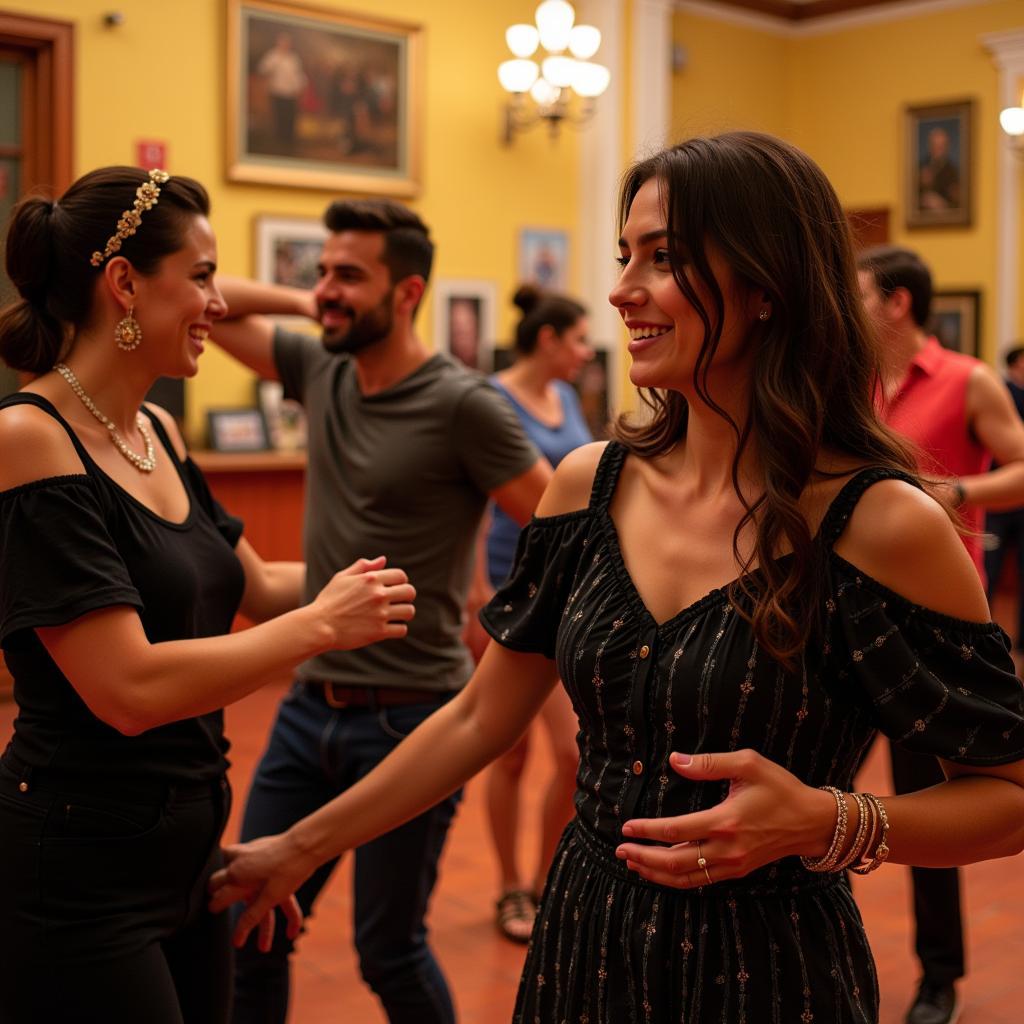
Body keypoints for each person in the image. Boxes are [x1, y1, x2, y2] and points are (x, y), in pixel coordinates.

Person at [209, 132, 1024, 1024]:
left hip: (769, 972)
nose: (620, 288)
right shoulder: (588, 486)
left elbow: (1008, 797)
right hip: (586, 945)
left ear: (765, 287)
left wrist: (830, 821)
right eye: (623, 255)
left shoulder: (883, 524)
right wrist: (297, 846)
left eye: (664, 258)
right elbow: (482, 716)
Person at [0, 167, 416, 1024]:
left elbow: (256, 585)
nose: (220, 306)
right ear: (122, 283)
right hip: (78, 865)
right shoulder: (27, 441)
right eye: (201, 278)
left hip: (190, 856)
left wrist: (408, 570)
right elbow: (128, 690)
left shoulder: (155, 430)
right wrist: (318, 629)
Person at [208, 198, 550, 1024]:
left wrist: (500, 621)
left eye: (349, 276)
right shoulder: (322, 367)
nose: (328, 289)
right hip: (306, 709)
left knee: (388, 953)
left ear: (407, 293)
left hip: (412, 719)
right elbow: (209, 304)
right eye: (322, 271)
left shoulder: (465, 404)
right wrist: (309, 301)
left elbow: (558, 528)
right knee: (246, 923)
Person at [858, 246, 1024, 1024]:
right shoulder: (850, 381)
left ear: (896, 302)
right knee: (798, 772)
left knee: (927, 802)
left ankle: (938, 979)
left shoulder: (967, 380)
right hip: (846, 613)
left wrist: (955, 491)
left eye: (855, 292)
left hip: (930, 629)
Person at [484, 284, 594, 942]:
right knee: (512, 753)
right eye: (578, 339)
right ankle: (509, 888)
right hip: (507, 586)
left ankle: (550, 880)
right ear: (548, 339)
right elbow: (470, 499)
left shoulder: (570, 398)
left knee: (572, 754)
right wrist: (474, 595)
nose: (586, 352)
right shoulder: (490, 399)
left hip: (568, 589)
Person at [985, 343, 1024, 671]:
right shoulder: (997, 390)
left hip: (1021, 504)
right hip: (998, 503)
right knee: (990, 571)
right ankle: (985, 644)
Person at [257, 31, 307, 151]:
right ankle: (280, 142)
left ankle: (290, 141)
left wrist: (300, 87)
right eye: (283, 43)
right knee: (280, 117)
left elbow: (298, 74)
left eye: (287, 43)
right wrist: (274, 64)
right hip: (277, 91)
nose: (285, 45)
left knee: (290, 117)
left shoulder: (293, 58)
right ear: (279, 43)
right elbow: (262, 69)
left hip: (291, 93)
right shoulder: (272, 56)